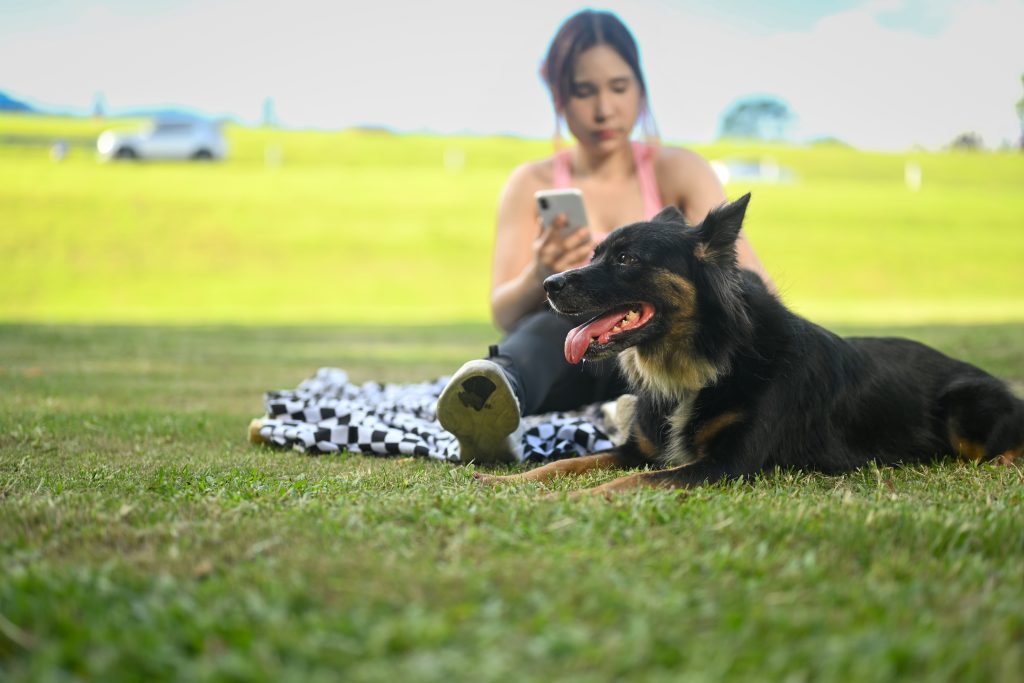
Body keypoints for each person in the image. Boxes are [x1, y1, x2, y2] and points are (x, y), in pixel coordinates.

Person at [436, 9, 775, 463]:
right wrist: (540, 270)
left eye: (619, 87)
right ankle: (493, 395)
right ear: (558, 96)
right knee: (550, 324)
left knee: (672, 340)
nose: (604, 109)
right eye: (583, 91)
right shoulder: (529, 182)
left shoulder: (680, 171)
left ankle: (633, 413)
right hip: (572, 352)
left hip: (663, 356)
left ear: (640, 88)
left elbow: (745, 274)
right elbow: (504, 312)